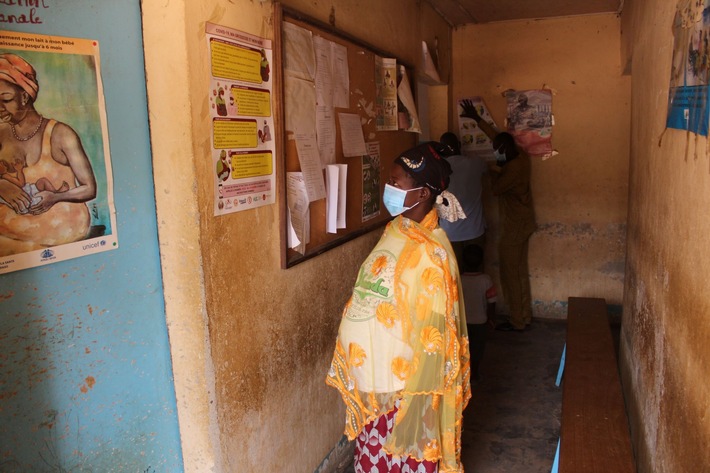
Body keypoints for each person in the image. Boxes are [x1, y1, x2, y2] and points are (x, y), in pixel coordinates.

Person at [326, 142, 471, 473]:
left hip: (402, 393)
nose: (387, 189)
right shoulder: (397, 229)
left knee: (401, 460)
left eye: (396, 182)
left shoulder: (432, 256)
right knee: (372, 460)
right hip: (375, 387)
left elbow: (436, 343)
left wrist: (416, 408)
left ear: (421, 194)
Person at [0, 53, 97, 256]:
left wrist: (55, 197)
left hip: (61, 224)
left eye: (5, 100)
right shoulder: (2, 133)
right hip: (15, 221)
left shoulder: (61, 134)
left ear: (25, 96)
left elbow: (89, 189)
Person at [460, 99, 536, 332]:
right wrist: (477, 119)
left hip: (514, 227)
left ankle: (516, 321)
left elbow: (495, 188)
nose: (494, 150)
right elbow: (498, 138)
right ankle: (523, 316)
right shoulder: (519, 155)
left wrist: (491, 168)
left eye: (496, 150)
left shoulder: (512, 169)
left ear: (503, 151)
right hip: (523, 224)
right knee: (520, 272)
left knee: (510, 273)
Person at [438, 131, 487, 269]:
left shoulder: (440, 170)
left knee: (454, 276)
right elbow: (487, 169)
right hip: (474, 230)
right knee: (476, 274)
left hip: (450, 233)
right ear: (459, 145)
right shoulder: (475, 163)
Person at [460, 244, 496, 382]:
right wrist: (491, 319)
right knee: (478, 349)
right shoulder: (485, 279)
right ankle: (475, 372)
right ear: (482, 262)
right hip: (480, 321)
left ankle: (465, 374)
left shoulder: (460, 279)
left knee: (464, 348)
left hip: (464, 321)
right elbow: (492, 301)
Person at [0, 158, 69, 212]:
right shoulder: (5, 176)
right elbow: (21, 184)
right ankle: (56, 194)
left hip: (28, 192)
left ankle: (55, 193)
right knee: (43, 183)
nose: (3, 163)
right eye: (1, 163)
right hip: (27, 196)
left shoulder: (5, 177)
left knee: (42, 181)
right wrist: (19, 170)